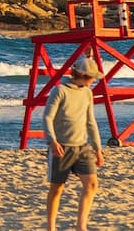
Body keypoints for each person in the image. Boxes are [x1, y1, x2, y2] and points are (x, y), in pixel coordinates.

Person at [42, 58, 105, 231]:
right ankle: (51, 227)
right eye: (92, 77)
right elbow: (47, 117)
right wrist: (52, 141)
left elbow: (90, 121)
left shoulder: (87, 93)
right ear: (83, 75)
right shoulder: (60, 91)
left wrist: (98, 148)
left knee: (92, 184)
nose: (93, 81)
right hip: (61, 146)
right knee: (57, 188)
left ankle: (81, 226)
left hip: (82, 146)